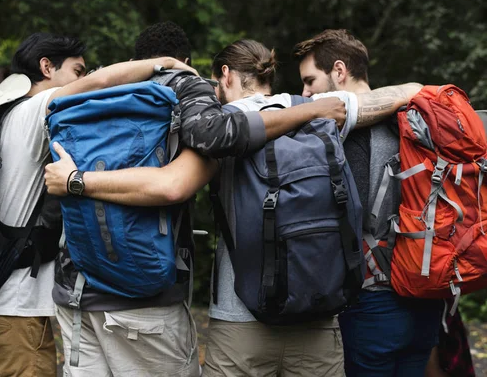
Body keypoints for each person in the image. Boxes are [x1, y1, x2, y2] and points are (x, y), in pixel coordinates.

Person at [45, 34, 422, 377]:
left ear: (224, 75)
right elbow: (387, 98)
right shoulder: (318, 113)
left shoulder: (217, 128)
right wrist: (419, 89)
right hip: (318, 317)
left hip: (239, 316)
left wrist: (77, 180)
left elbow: (173, 184)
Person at [0, 31, 193, 377]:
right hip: (14, 312)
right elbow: (103, 81)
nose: (82, 79)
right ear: (47, 67)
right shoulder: (35, 108)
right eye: (77, 70)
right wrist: (167, 64)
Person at [293, 28, 443, 376]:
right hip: (426, 294)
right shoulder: (415, 123)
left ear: (340, 71)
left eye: (310, 80)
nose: (305, 92)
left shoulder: (352, 135)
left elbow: (346, 217)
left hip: (374, 302)